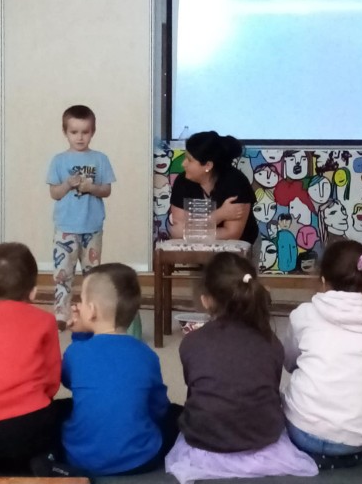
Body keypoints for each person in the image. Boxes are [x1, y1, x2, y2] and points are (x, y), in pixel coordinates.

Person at [165, 252, 318, 483]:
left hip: (204, 441)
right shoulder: (271, 342)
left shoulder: (191, 342)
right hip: (263, 438)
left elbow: (194, 388)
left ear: (206, 300)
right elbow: (270, 387)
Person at [283, 239, 362, 470]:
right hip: (357, 445)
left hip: (303, 435)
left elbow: (289, 363)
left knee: (285, 393)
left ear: (323, 281)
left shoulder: (304, 314)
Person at [43, 262, 179, 477]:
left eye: (81, 300)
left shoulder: (76, 353)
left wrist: (80, 335)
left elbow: (70, 381)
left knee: (60, 410)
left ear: (92, 310)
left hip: (80, 459)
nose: (78, 305)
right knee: (175, 415)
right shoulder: (147, 355)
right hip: (141, 460)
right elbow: (159, 407)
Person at [0, 242, 61, 475]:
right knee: (62, 413)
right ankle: (41, 463)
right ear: (34, 291)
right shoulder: (45, 322)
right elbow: (51, 383)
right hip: (27, 428)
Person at [46, 104, 116, 330]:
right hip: (65, 228)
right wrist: (68, 184)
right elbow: (54, 193)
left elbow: (106, 190)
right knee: (63, 273)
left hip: (92, 227)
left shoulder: (100, 159)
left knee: (92, 274)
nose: (79, 137)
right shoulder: (58, 161)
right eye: (74, 132)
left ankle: (92, 312)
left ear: (92, 132)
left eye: (85, 132)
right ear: (65, 132)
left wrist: (91, 188)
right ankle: (61, 313)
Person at [169, 131, 260, 264]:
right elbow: (177, 231)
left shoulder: (236, 182)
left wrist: (190, 232)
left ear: (208, 166)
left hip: (239, 251)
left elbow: (232, 234)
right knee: (203, 278)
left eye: (190, 160)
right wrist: (220, 214)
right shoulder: (182, 182)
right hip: (199, 249)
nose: (183, 164)